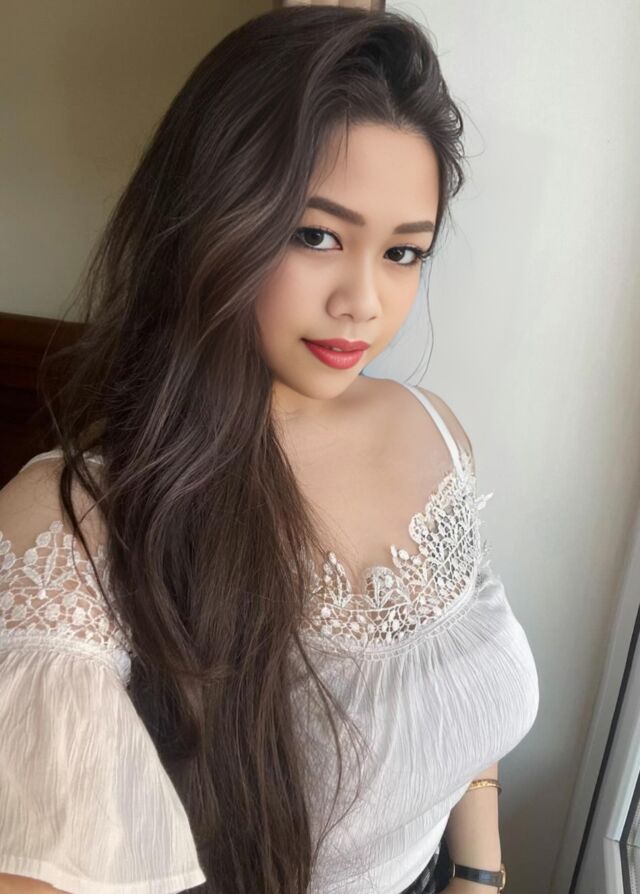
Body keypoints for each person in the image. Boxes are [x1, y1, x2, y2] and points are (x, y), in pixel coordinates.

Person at [0, 6, 539, 893]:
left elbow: (458, 696)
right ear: (210, 218)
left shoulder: (436, 431)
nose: (363, 301)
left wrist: (479, 872)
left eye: (404, 253)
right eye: (315, 235)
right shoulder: (77, 525)